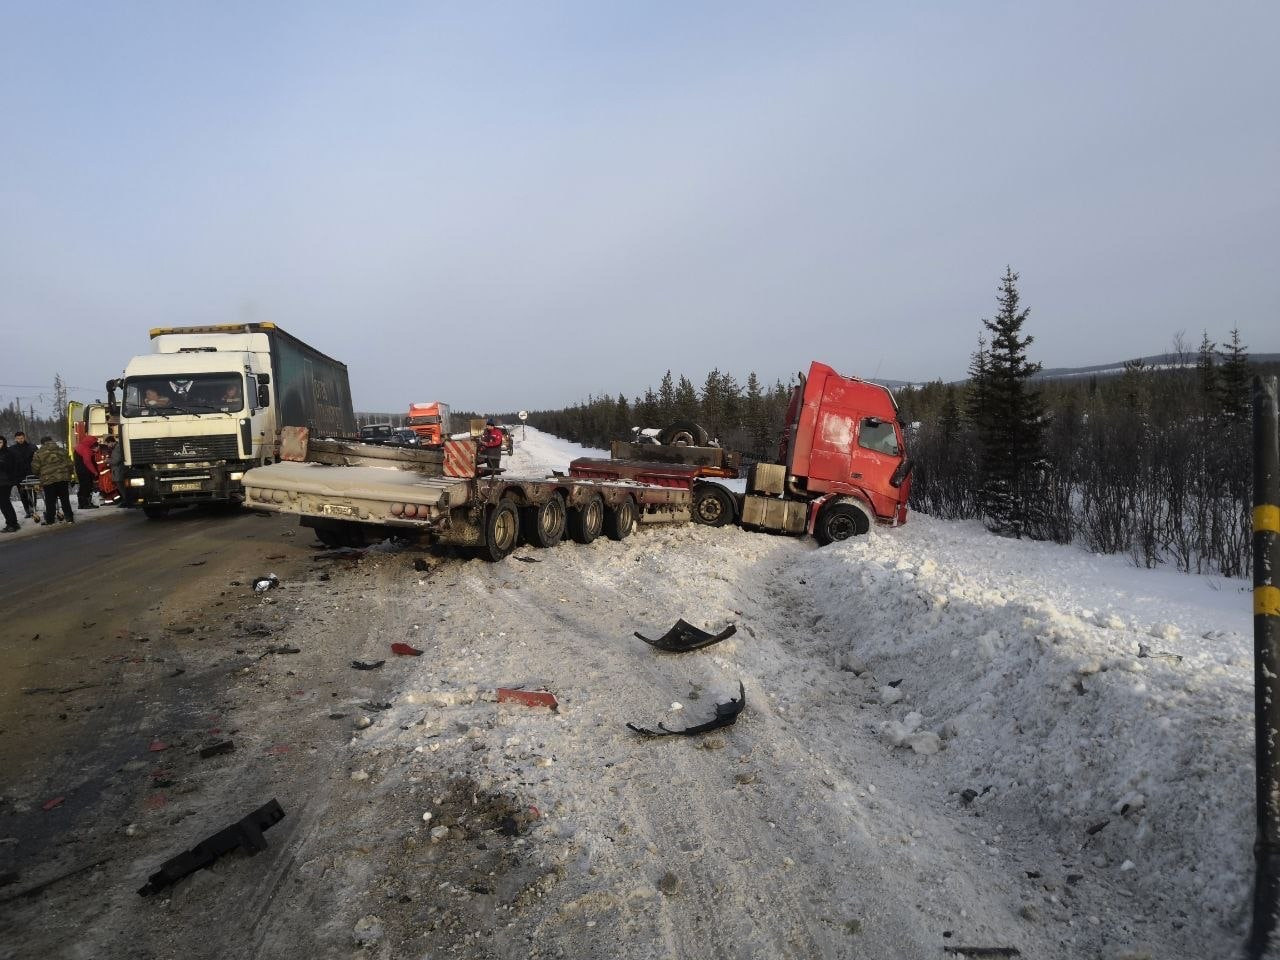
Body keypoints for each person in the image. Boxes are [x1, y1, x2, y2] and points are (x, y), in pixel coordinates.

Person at [31, 436, 74, 525]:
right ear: (52, 441)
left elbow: (35, 468)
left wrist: (38, 474)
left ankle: (50, 520)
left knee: (50, 501)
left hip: (48, 480)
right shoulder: (62, 450)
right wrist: (69, 474)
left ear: (42, 444)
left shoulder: (39, 453)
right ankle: (69, 518)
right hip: (63, 478)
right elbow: (70, 464)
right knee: (65, 499)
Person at [9, 430, 36, 518]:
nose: (20, 440)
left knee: (32, 492)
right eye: (18, 438)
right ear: (15, 439)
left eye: (21, 438)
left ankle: (33, 507)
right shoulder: (11, 449)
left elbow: (37, 460)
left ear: (24, 437)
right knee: (22, 493)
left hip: (31, 473)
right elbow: (10, 463)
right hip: (18, 475)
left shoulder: (32, 447)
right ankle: (27, 510)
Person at [73, 433, 101, 509]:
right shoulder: (87, 450)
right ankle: (85, 504)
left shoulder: (82, 446)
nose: (97, 449)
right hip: (84, 471)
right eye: (97, 447)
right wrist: (94, 472)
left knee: (83, 486)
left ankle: (82, 504)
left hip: (81, 470)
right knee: (87, 486)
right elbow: (87, 462)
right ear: (93, 446)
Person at [0, 435, 20, 532]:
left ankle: (14, 524)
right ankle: (9, 523)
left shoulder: (8, 453)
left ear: (4, 443)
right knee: (2, 504)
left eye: (0, 442)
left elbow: (11, 467)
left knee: (5, 502)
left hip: (6, 482)